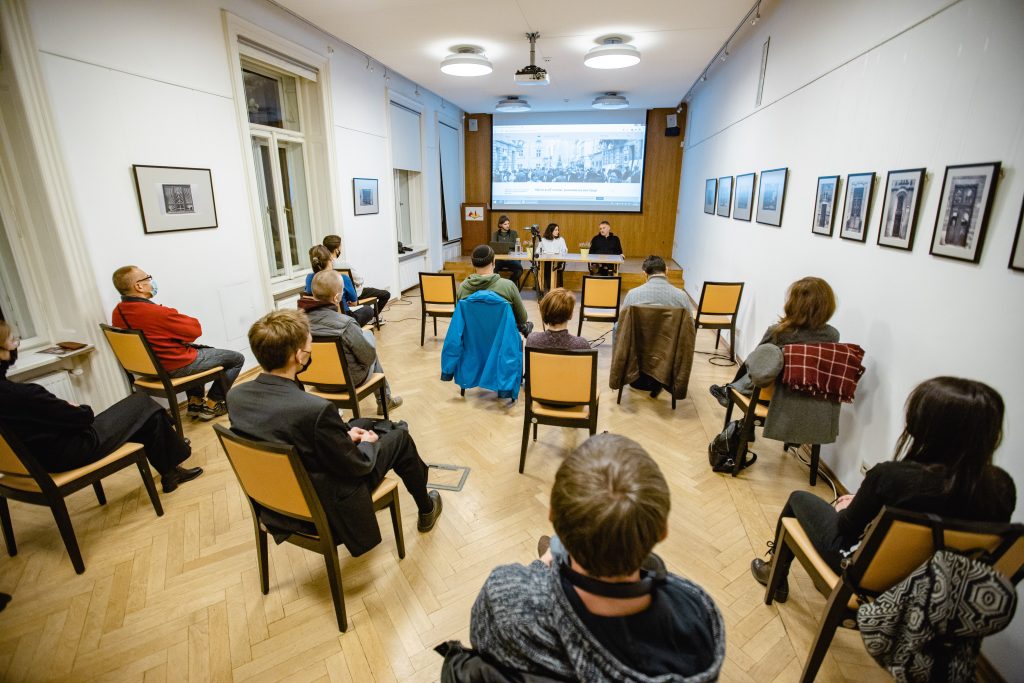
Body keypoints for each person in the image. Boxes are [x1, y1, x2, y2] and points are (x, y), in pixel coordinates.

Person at [470, 434, 725, 681]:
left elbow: (483, 649)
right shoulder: (697, 616)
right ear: (662, 531)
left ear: (552, 515)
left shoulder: (505, 595)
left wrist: (541, 568)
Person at [752, 377, 1017, 602]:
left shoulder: (891, 477)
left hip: (865, 576)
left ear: (923, 425)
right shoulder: (1002, 487)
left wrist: (846, 508)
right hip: (936, 589)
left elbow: (846, 531)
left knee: (798, 498)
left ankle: (774, 571)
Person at [226, 310, 442, 555]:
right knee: (400, 438)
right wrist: (368, 442)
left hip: (278, 501)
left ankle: (387, 431)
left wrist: (343, 436)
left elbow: (286, 434)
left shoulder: (236, 397)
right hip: (327, 504)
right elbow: (359, 465)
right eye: (309, 346)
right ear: (299, 356)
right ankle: (426, 508)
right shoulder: (313, 410)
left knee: (361, 422)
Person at [0, 320, 201, 493]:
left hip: (40, 458)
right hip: (72, 450)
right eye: (12, 341)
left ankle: (171, 473)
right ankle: (176, 450)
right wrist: (76, 408)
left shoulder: (12, 393)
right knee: (142, 402)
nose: (16, 344)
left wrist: (66, 410)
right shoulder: (23, 394)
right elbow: (83, 418)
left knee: (148, 416)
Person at [111, 265, 244, 421]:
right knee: (236, 359)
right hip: (174, 366)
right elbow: (195, 330)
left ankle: (195, 402)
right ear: (139, 286)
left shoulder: (118, 312)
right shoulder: (156, 313)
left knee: (199, 351)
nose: (151, 282)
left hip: (151, 368)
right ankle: (213, 404)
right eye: (148, 278)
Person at [709, 276, 837, 407]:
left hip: (769, 397)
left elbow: (756, 364)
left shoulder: (779, 332)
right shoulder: (833, 335)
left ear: (794, 304)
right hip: (806, 402)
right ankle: (730, 389)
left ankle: (730, 389)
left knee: (759, 361)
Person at [300, 270, 402, 414]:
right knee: (370, 345)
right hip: (349, 380)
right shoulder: (346, 324)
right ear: (337, 297)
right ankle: (384, 400)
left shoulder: (298, 323)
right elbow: (368, 357)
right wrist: (368, 338)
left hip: (316, 381)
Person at [459, 245, 533, 338]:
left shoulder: (463, 288)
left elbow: (460, 319)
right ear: (494, 262)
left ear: (473, 264)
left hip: (473, 341)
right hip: (503, 341)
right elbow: (522, 319)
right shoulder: (508, 286)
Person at [322, 234, 391, 323]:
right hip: (353, 296)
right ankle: (372, 318)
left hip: (336, 298)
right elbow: (359, 280)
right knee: (386, 294)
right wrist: (357, 284)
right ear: (336, 249)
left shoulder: (322, 266)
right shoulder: (344, 264)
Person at [305, 245, 373, 328]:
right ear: (330, 260)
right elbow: (354, 303)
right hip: (342, 320)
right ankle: (353, 329)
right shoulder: (341, 278)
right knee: (368, 310)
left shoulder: (309, 278)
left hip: (318, 320)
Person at [620, 255, 691, 316]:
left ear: (645, 274)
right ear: (666, 270)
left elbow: (621, 324)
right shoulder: (682, 296)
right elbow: (690, 325)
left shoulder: (632, 295)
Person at [492, 215, 523, 287]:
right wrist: (510, 245)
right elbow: (494, 246)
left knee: (519, 269)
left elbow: (516, 244)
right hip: (499, 259)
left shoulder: (514, 233)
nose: (508, 225)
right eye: (505, 224)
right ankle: (498, 285)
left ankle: (509, 285)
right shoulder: (495, 234)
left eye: (508, 223)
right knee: (492, 270)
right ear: (500, 225)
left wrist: (503, 245)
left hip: (511, 258)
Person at [538, 223, 568, 290]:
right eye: (556, 230)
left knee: (550, 267)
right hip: (546, 261)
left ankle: (550, 288)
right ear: (550, 231)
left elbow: (565, 250)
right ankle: (546, 288)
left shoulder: (561, 239)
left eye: (558, 230)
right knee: (546, 265)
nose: (558, 232)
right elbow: (538, 251)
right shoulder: (543, 240)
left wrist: (561, 252)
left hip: (557, 261)